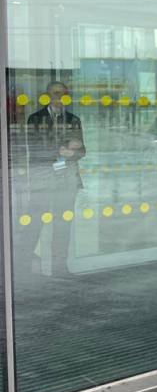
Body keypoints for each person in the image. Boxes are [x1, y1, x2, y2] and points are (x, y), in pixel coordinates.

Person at [19, 80, 85, 276]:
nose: (59, 98)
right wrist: (61, 150)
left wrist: (72, 154)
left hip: (66, 179)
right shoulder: (35, 119)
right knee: (35, 221)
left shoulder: (74, 119)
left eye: (63, 94)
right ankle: (22, 266)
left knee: (63, 225)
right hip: (44, 178)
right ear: (48, 96)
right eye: (55, 94)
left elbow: (83, 150)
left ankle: (59, 268)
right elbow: (35, 149)